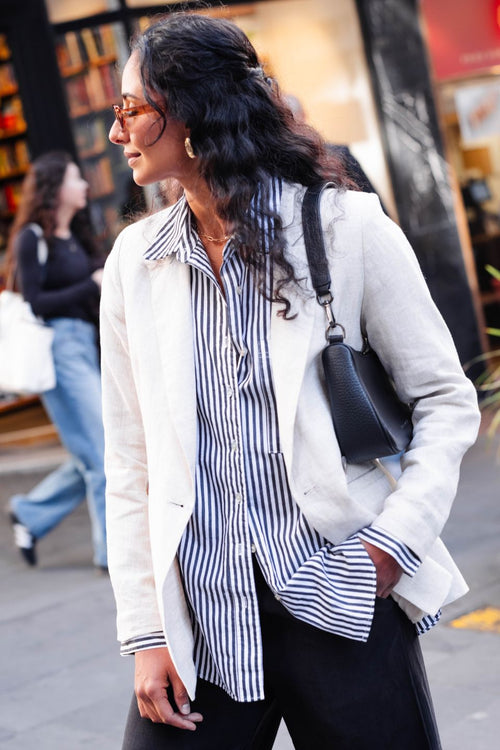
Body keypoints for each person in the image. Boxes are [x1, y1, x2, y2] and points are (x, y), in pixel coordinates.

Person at [100, 13, 480, 750]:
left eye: (132, 109)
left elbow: (444, 398)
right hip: (204, 625)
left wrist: (391, 549)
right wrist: (146, 631)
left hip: (341, 600)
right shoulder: (134, 263)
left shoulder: (344, 229)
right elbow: (130, 458)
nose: (118, 133)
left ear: (196, 110)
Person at [6, 151, 107, 571]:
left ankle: (30, 512)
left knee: (92, 452)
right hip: (59, 350)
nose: (84, 186)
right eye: (75, 179)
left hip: (87, 345)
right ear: (55, 189)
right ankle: (113, 555)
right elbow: (36, 302)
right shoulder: (32, 238)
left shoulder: (78, 236)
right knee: (104, 457)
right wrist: (89, 284)